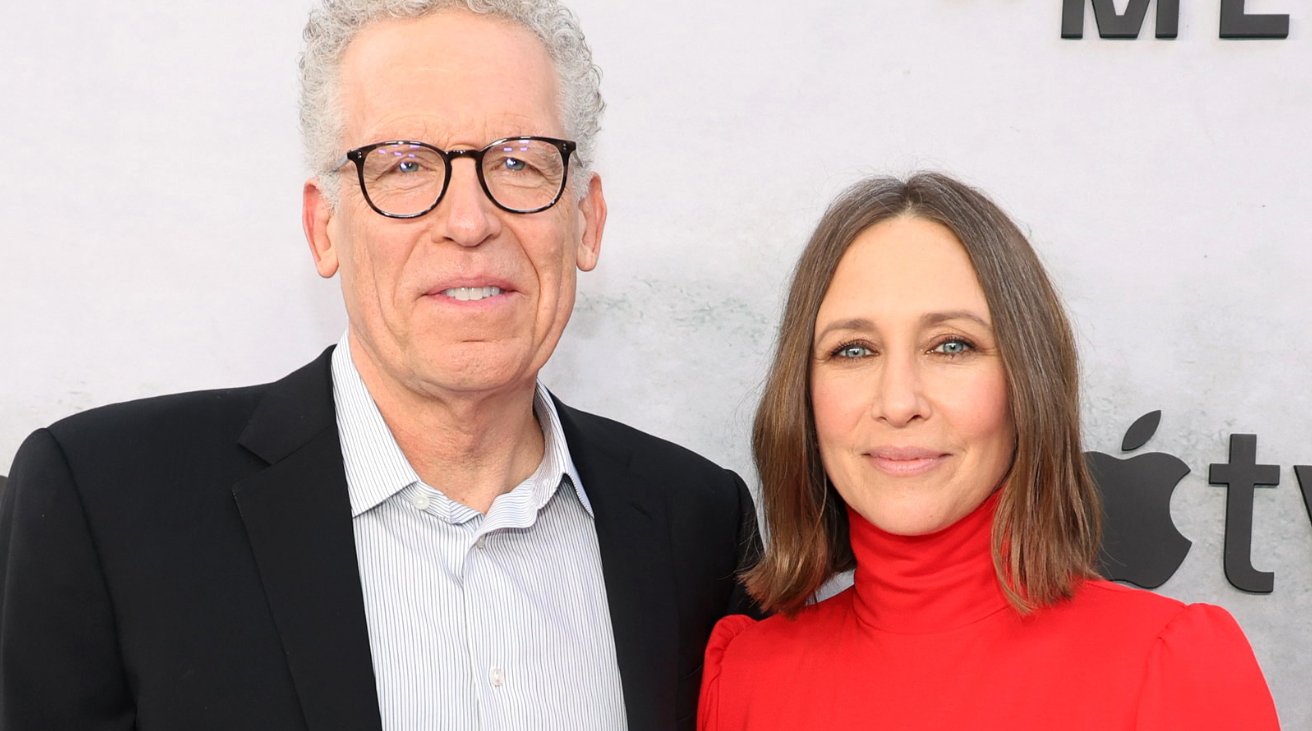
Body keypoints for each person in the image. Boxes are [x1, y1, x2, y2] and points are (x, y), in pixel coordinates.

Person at [0, 2, 760, 730]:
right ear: (323, 227)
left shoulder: (695, 525)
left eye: (521, 162)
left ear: (586, 220)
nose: (470, 221)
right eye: (403, 165)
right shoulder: (108, 507)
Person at [697, 173, 1279, 730]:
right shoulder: (747, 676)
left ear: (1027, 380)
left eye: (951, 345)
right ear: (802, 392)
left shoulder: (1167, 664)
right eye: (853, 350)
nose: (899, 402)